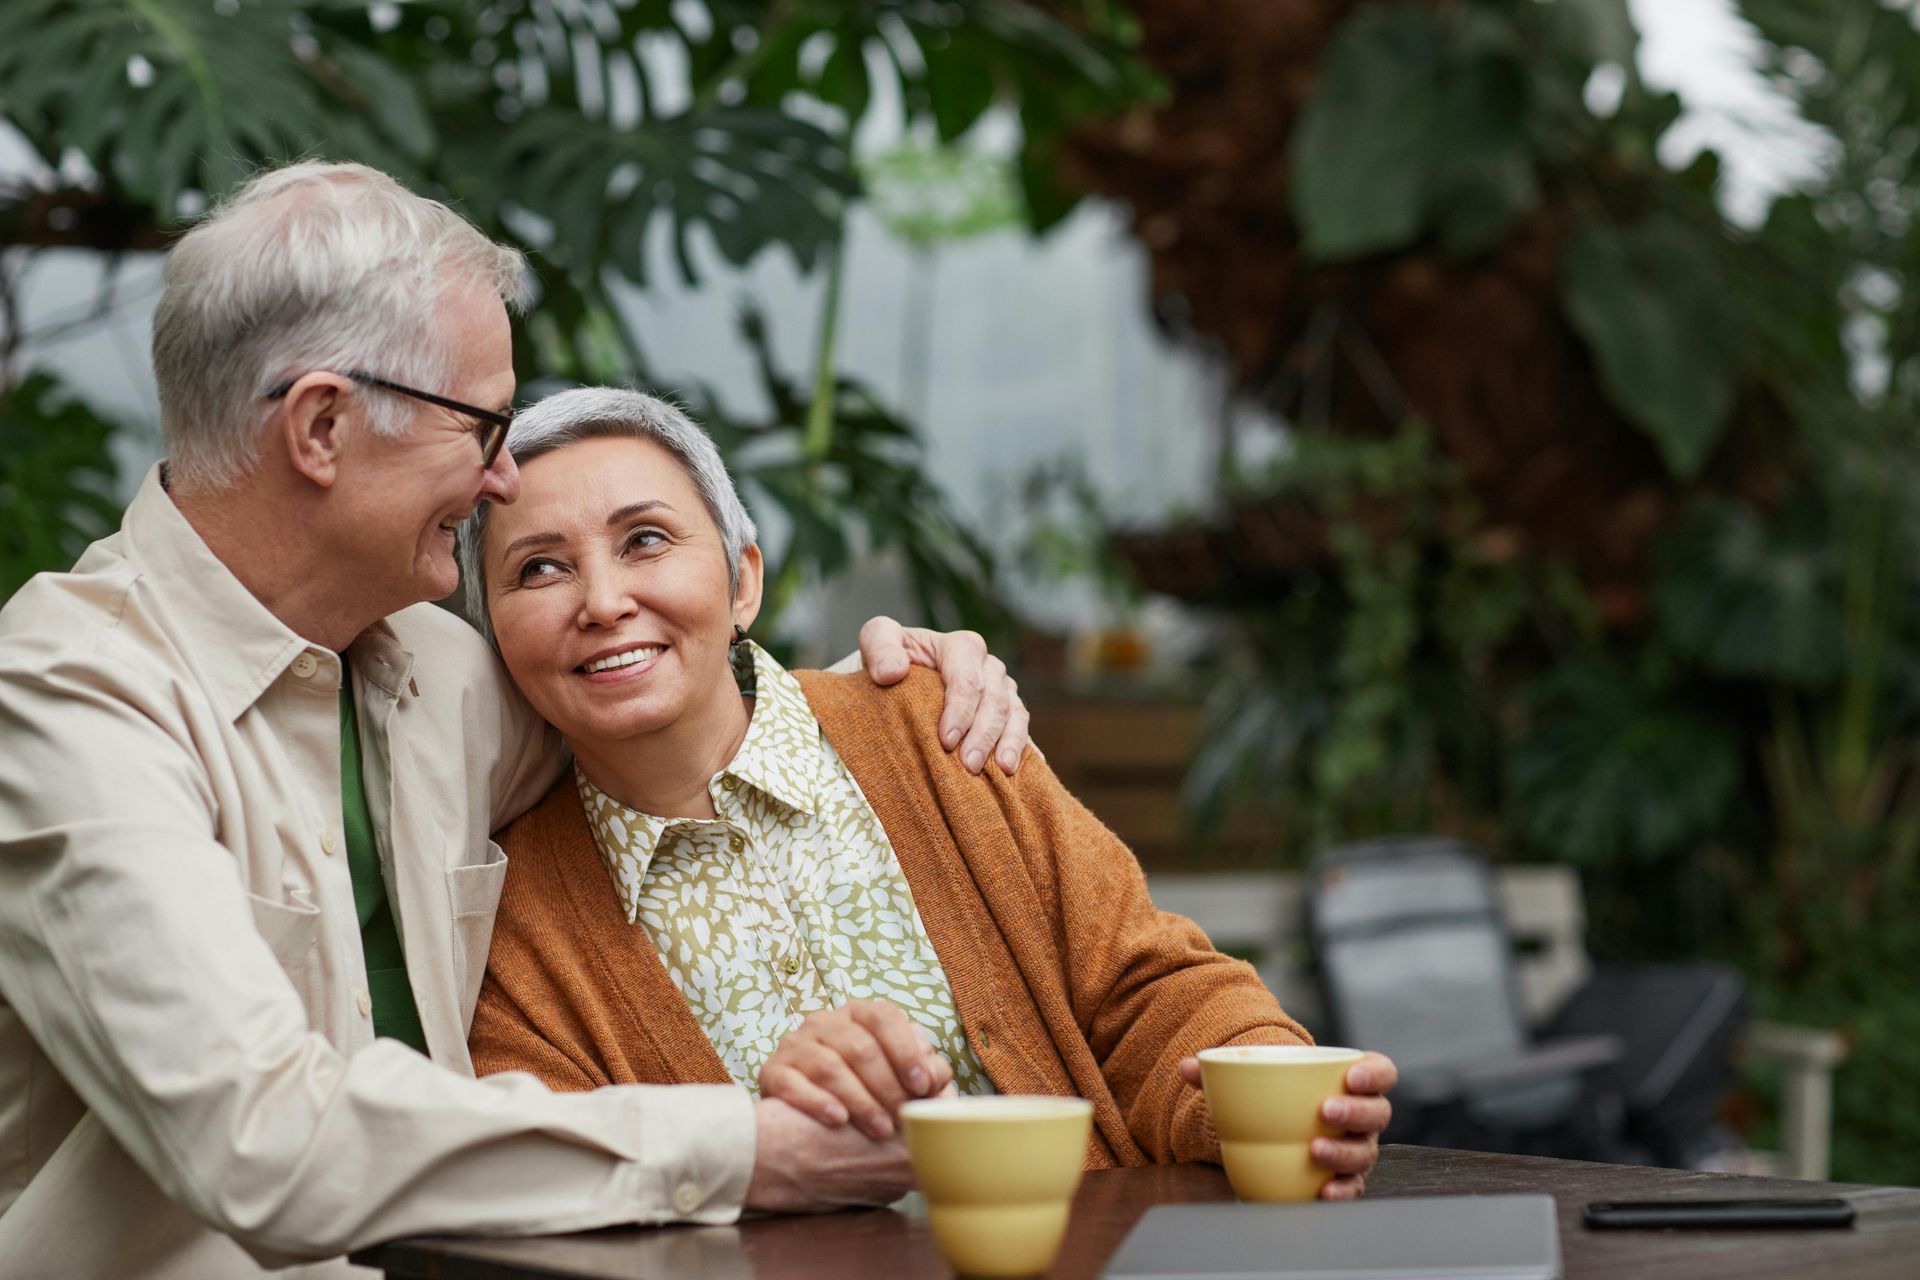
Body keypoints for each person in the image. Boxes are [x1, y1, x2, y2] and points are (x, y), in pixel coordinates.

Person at [0, 162, 1032, 1279]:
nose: (503, 477)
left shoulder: (439, 669)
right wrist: (746, 1148)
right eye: (482, 423)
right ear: (322, 426)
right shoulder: (64, 700)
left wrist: (889, 696)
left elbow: (674, 717)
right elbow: (256, 1136)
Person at [463, 387, 1398, 1208]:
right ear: (494, 634)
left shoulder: (933, 724)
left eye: (647, 540)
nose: (602, 600)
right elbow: (564, 1190)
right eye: (538, 568)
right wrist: (754, 1141)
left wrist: (1251, 1099)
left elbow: (1141, 985)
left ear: (743, 578)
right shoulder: (511, 926)